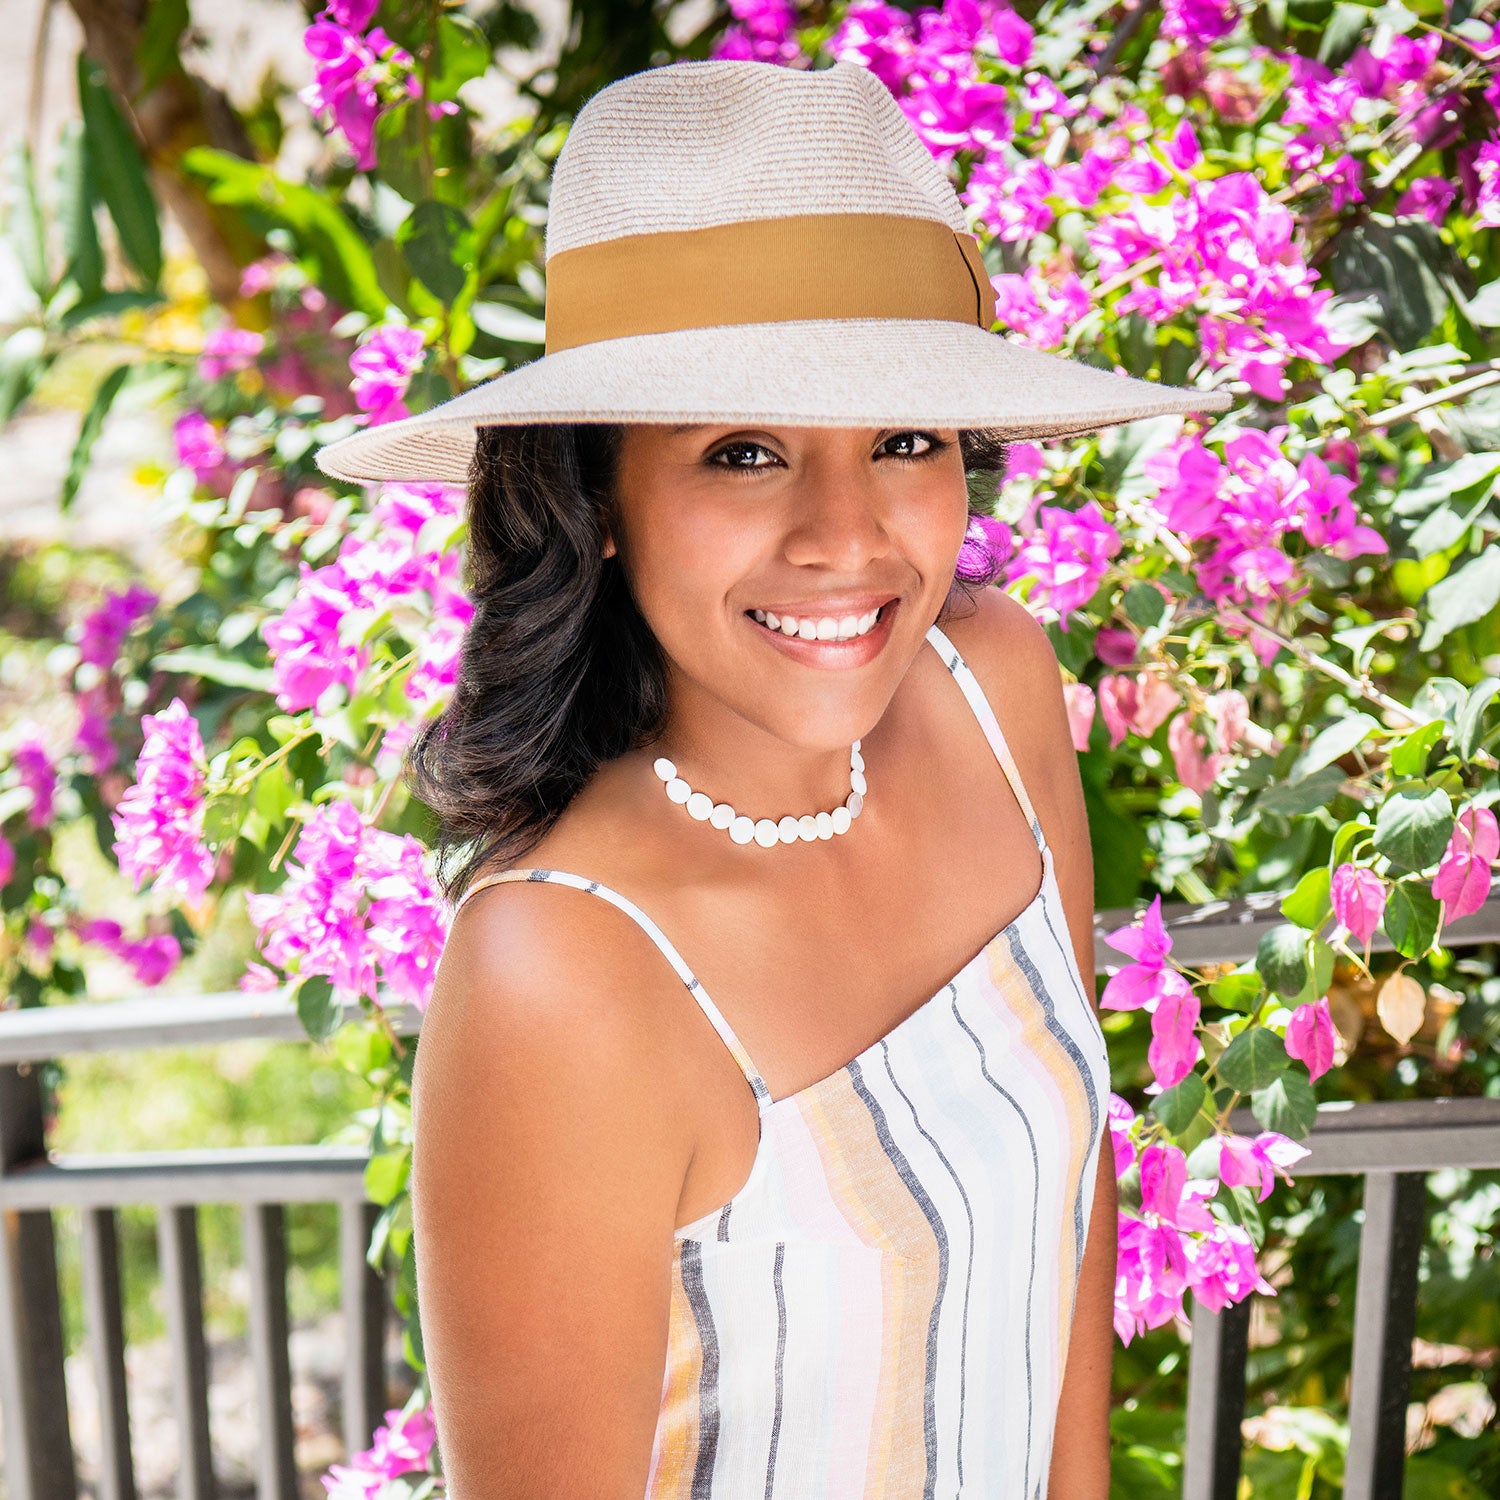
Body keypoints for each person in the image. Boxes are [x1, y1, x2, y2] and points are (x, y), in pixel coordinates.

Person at [315, 55, 1230, 1500]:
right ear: (596, 493)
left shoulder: (988, 687)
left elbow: (1068, 1198)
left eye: (907, 440)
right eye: (745, 451)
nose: (845, 536)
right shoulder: (564, 971)